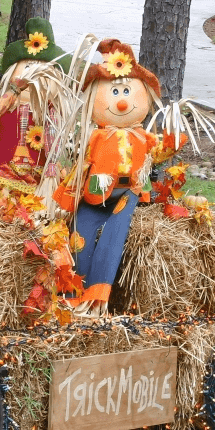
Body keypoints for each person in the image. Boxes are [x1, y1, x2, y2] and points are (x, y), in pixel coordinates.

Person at [54, 39, 188, 317]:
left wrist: (173, 142)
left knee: (116, 231)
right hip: (96, 194)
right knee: (81, 232)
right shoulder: (96, 137)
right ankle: (73, 293)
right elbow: (82, 165)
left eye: (127, 91)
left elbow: (158, 153)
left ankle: (97, 294)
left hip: (129, 193)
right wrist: (67, 197)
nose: (122, 100)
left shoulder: (143, 137)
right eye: (114, 92)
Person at [0, 17, 73, 222]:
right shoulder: (7, 106)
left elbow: (57, 145)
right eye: (27, 68)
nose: (33, 77)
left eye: (41, 71)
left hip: (37, 176)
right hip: (5, 172)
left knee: (37, 209)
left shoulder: (50, 113)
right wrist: (13, 93)